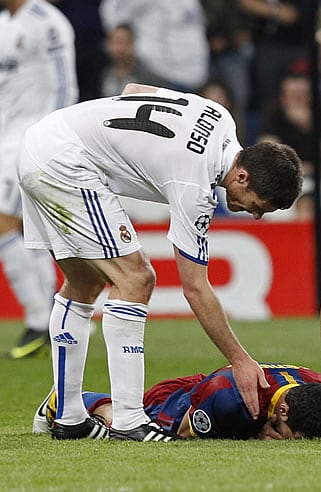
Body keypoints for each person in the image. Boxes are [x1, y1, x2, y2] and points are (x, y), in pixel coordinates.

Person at [17, 83, 303, 441]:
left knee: (85, 283)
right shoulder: (195, 184)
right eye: (259, 205)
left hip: (43, 140)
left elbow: (134, 89)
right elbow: (196, 288)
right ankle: (129, 420)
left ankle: (70, 415)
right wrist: (241, 360)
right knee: (137, 279)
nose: (257, 216)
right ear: (242, 177)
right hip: (66, 162)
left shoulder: (220, 118)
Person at [0, 0, 78, 359]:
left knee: (4, 224)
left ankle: (38, 319)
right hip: (5, 137)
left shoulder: (46, 21)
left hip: (30, 138)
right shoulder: (5, 23)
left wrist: (52, 136)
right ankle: (49, 317)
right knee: (30, 230)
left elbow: (65, 85)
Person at [33, 363, 321, 440]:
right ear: (283, 409)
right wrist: (253, 434)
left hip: (210, 387)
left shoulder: (315, 389)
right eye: (289, 436)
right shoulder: (227, 401)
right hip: (181, 402)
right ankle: (67, 399)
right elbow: (183, 434)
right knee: (135, 430)